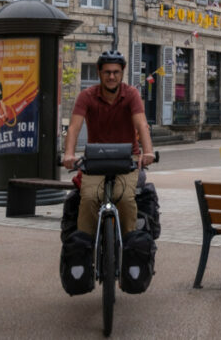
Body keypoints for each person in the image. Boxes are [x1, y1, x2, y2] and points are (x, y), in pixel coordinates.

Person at [63, 50, 154, 235]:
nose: (112, 77)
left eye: (116, 72)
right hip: (96, 160)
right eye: (107, 72)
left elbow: (141, 124)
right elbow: (74, 127)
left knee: (125, 199)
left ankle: (129, 244)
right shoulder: (86, 96)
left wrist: (148, 151)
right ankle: (86, 247)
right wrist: (69, 154)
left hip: (127, 160)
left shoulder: (131, 94)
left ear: (122, 72)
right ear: (99, 72)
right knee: (88, 198)